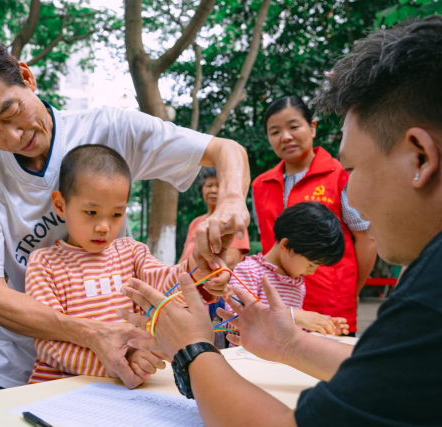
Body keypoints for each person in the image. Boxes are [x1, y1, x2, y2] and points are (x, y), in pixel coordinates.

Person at [120, 16, 442, 426]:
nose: (351, 197)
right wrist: (290, 344)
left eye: (356, 170)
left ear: (420, 157)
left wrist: (191, 350)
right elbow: (394, 376)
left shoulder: (428, 299)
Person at [0, 33, 250, 391]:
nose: (13, 136)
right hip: (24, 372)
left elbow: (226, 150)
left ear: (26, 77)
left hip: (124, 369)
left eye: (12, 111)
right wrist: (94, 335)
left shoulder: (109, 129)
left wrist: (231, 204)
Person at [26, 145, 220, 384]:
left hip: (126, 388)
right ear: (60, 205)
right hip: (60, 390)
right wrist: (119, 362)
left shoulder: (131, 252)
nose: (103, 226)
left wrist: (195, 270)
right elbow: (49, 342)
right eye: (91, 212)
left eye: (116, 215)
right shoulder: (45, 264)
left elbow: (164, 284)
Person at [252, 95, 377, 336]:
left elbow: (365, 240)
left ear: (312, 127)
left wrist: (352, 292)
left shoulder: (339, 175)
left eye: (294, 126)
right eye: (275, 131)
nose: (285, 137)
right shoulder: (261, 185)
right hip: (278, 307)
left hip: (330, 308)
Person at [223, 202, 349, 336]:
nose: (312, 272)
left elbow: (291, 329)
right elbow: (232, 320)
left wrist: (318, 325)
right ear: (286, 245)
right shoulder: (249, 270)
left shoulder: (296, 282)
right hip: (248, 356)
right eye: (311, 265)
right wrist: (294, 315)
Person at [179, 167, 250, 269]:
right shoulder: (195, 223)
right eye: (209, 185)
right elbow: (182, 259)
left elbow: (232, 261)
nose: (213, 190)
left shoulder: (233, 221)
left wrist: (197, 272)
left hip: (213, 281)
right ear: (201, 189)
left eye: (219, 185)